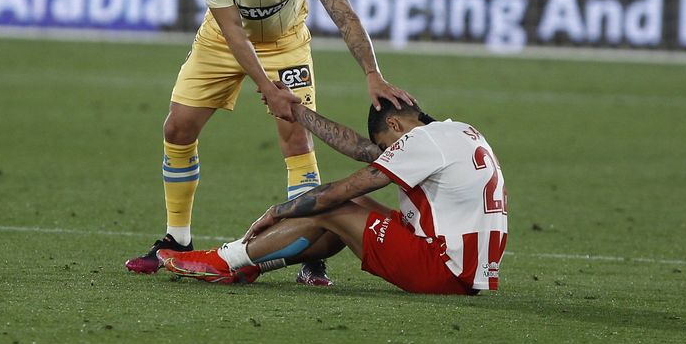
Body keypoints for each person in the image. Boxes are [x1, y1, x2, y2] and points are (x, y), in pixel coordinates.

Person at [124, 0, 412, 287]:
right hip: (221, 43)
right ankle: (178, 239)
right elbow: (232, 31)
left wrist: (372, 73)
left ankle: (311, 256)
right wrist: (268, 87)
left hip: (286, 44)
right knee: (177, 127)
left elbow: (343, 12)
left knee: (297, 139)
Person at [158, 96, 508, 295]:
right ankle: (251, 266)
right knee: (345, 208)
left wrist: (277, 211)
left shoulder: (419, 142)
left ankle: (225, 261)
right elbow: (360, 150)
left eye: (387, 145)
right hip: (464, 266)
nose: (387, 152)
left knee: (333, 205)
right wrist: (298, 112)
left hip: (443, 271)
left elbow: (344, 189)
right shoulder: (457, 132)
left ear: (396, 126)